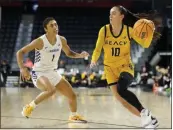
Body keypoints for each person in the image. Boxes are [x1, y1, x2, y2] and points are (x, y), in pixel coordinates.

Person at [90, 6, 159, 128]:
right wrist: (94, 59)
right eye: (110, 14)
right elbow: (97, 48)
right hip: (109, 69)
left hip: (125, 66)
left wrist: (150, 32)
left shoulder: (129, 31)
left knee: (122, 89)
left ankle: (144, 113)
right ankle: (149, 118)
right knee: (122, 100)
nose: (110, 16)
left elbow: (145, 44)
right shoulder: (104, 30)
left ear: (122, 16)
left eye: (114, 14)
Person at [16, 17, 89, 122]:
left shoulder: (62, 40)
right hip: (39, 72)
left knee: (72, 95)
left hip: (53, 72)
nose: (55, 27)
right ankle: (29, 107)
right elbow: (20, 52)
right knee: (51, 90)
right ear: (46, 29)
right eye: (52, 25)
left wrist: (80, 55)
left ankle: (73, 115)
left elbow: (69, 53)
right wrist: (22, 68)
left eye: (56, 24)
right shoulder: (40, 41)